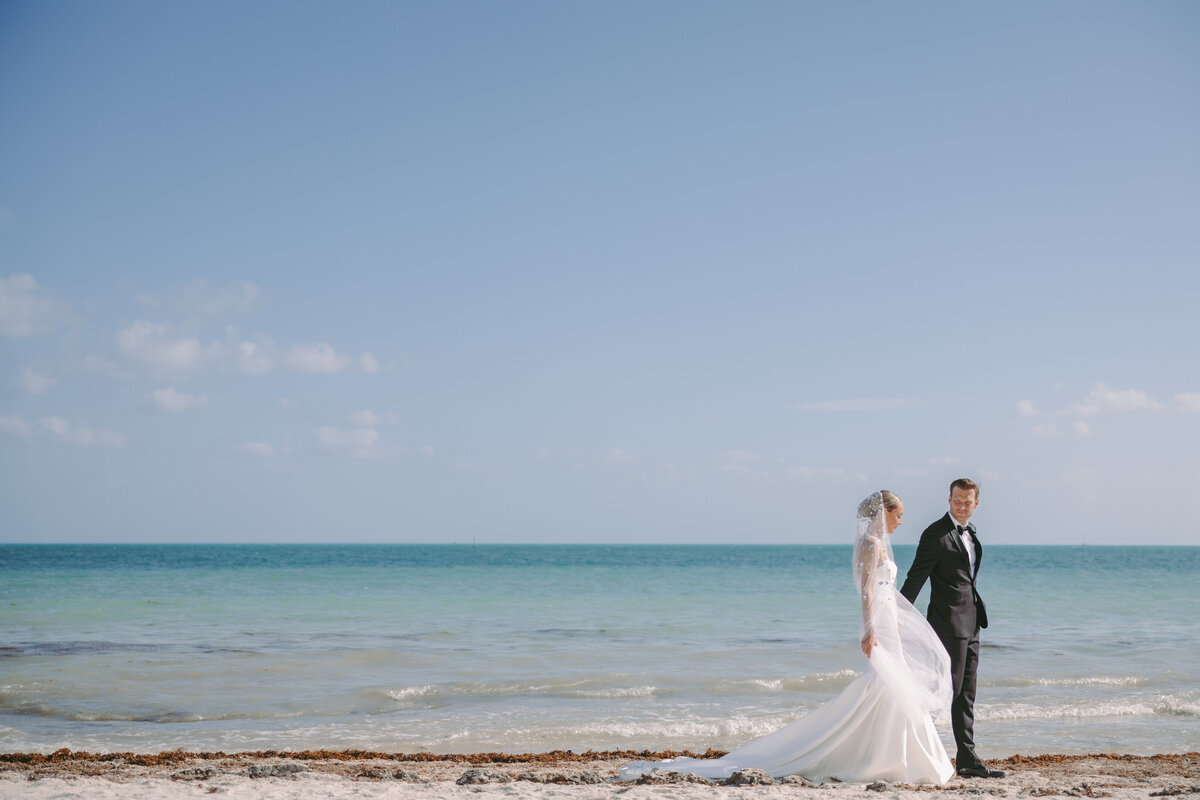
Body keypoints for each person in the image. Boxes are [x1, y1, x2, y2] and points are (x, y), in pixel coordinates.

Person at [619, 490, 954, 784]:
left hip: (888, 620)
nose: (900, 522)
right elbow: (867, 591)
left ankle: (887, 754)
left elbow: (883, 590)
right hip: (877, 621)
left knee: (889, 687)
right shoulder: (869, 544)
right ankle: (878, 755)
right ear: (884, 513)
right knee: (886, 685)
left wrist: (892, 623)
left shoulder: (879, 544)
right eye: (898, 515)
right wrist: (869, 629)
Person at [899, 478, 1004, 779]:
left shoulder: (971, 533)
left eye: (967, 502)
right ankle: (915, 751)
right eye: (957, 500)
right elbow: (916, 577)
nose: (961, 506)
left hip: (972, 622)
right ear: (949, 499)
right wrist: (898, 613)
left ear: (976, 504)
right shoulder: (935, 534)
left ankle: (967, 759)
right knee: (946, 691)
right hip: (946, 623)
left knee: (966, 693)